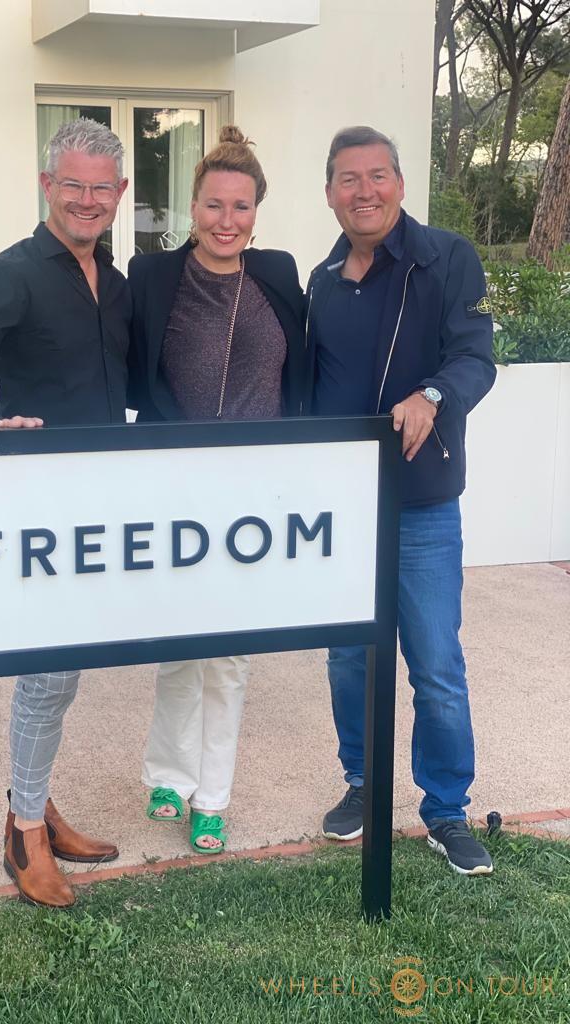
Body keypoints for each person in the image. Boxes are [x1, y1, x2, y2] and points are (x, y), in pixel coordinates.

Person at [0, 118, 131, 907]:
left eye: (101, 188)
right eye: (72, 184)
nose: (87, 200)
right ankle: (24, 833)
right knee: (47, 674)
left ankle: (37, 802)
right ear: (47, 185)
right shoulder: (10, 273)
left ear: (120, 193)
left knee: (65, 670)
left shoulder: (115, 280)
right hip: (38, 504)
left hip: (101, 502)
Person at [305, 126, 496, 875]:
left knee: (436, 667)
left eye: (377, 175)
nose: (365, 191)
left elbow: (475, 358)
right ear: (329, 193)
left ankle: (446, 809)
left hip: (422, 506)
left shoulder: (446, 257)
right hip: (342, 509)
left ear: (400, 183)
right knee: (348, 660)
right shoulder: (323, 279)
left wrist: (432, 395)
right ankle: (362, 782)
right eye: (349, 179)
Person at [127, 125, 305, 855]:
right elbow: (130, 372)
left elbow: (303, 375)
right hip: (178, 486)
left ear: (257, 210)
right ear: (192, 205)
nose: (225, 220)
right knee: (178, 643)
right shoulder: (151, 276)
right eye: (213, 204)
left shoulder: (280, 274)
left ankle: (213, 797)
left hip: (254, 494)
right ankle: (167, 773)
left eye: (241, 206)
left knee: (229, 654)